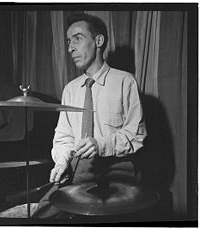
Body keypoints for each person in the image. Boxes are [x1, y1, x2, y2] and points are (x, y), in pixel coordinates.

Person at [33, 13, 147, 219]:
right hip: (78, 171)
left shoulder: (125, 81)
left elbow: (136, 134)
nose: (70, 48)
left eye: (77, 38)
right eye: (68, 42)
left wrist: (100, 144)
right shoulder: (70, 89)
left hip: (117, 170)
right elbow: (64, 137)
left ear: (99, 41)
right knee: (40, 215)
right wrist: (61, 162)